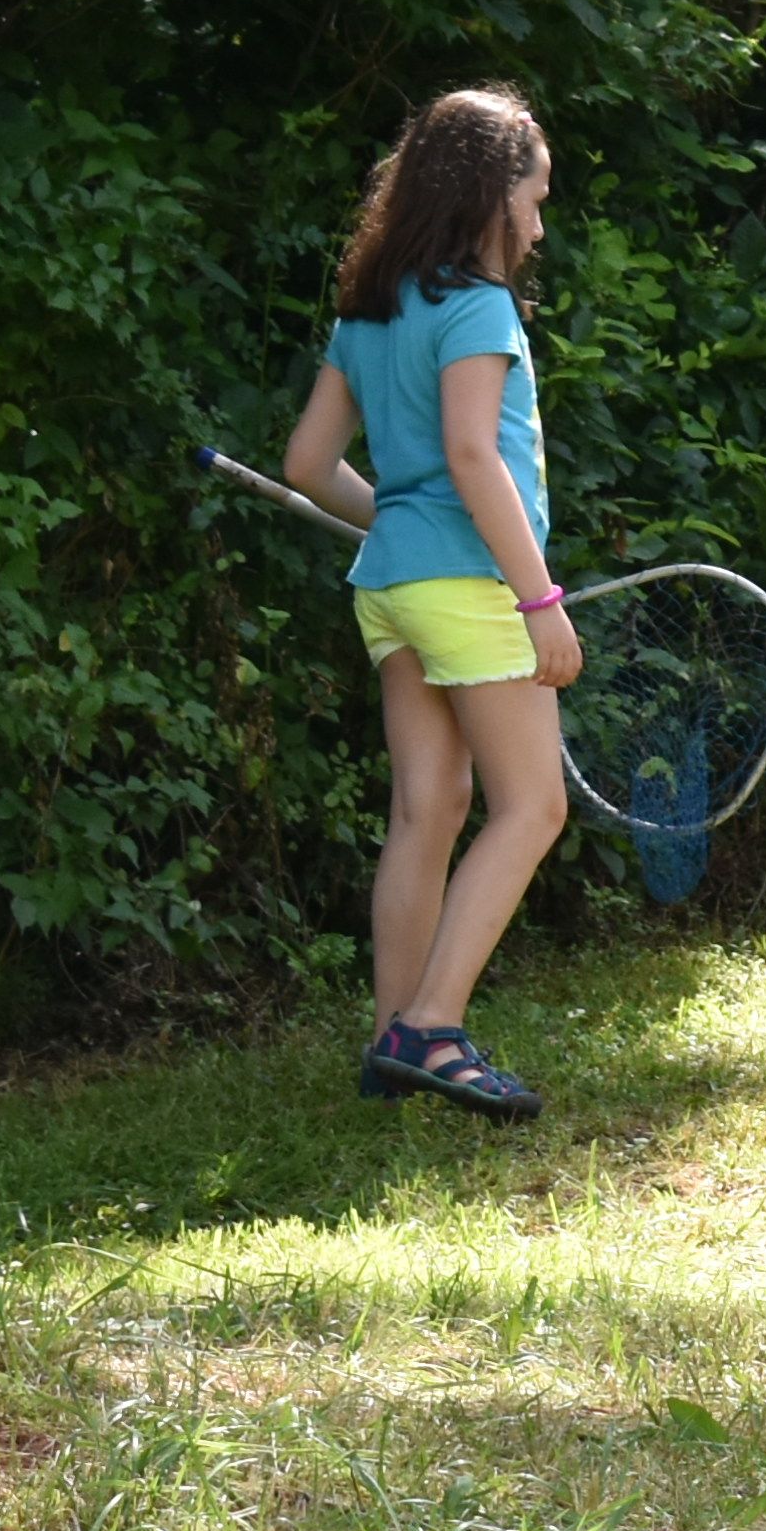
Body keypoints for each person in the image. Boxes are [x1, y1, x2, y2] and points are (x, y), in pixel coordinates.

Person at [280, 85, 583, 1121]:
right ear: (489, 196)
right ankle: (431, 1025)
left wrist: (398, 527)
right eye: (534, 199)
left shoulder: (370, 309)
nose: (539, 224)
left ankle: (386, 1047)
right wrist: (538, 598)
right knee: (533, 804)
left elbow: (310, 463)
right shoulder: (478, 307)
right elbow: (470, 452)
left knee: (428, 808)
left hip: (393, 587)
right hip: (469, 586)